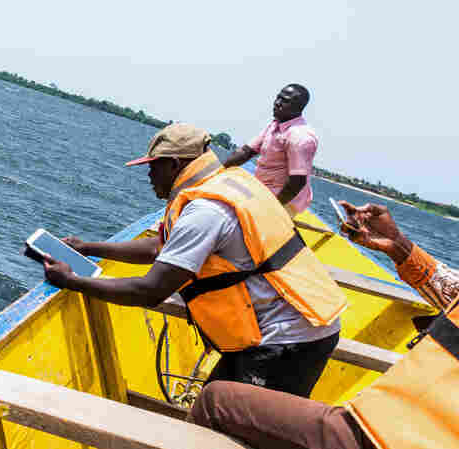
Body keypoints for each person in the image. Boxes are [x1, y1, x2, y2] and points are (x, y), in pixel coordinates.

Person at [43, 123, 347, 398]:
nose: (149, 176)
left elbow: (150, 290)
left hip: (286, 340)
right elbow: (159, 249)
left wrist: (71, 281)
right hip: (304, 324)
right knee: (212, 409)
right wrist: (90, 247)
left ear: (174, 164)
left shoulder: (206, 211)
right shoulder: (227, 183)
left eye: (153, 167)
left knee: (229, 424)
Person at [186, 201, 459, 449]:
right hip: (382, 424)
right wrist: (396, 244)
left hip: (378, 435)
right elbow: (453, 291)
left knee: (216, 401)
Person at [223, 84, 317, 217]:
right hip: (263, 190)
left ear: (298, 106)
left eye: (285, 101)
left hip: (283, 201)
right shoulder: (275, 124)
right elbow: (246, 152)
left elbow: (297, 181)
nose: (277, 103)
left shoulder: (300, 136)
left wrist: (272, 210)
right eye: (278, 98)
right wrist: (218, 171)